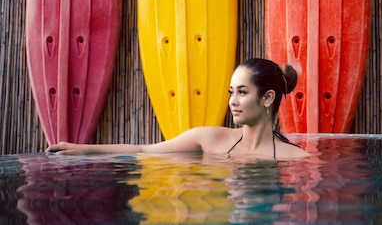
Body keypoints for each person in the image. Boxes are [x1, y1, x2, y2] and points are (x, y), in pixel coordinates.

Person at [47, 58, 309, 160]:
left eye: (242, 92)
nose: (232, 101)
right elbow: (143, 150)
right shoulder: (208, 139)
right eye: (232, 92)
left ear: (267, 98)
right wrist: (83, 150)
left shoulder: (295, 158)